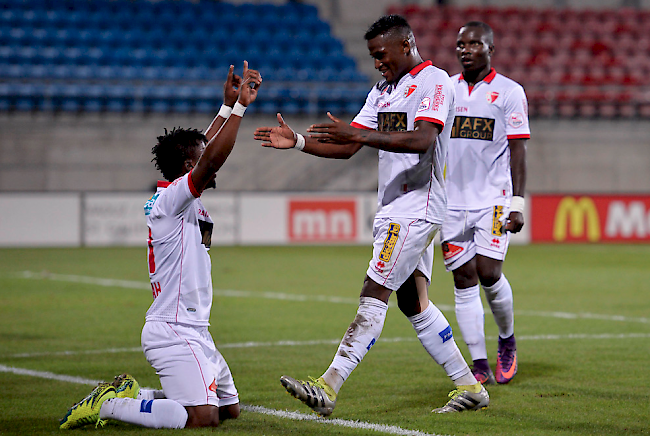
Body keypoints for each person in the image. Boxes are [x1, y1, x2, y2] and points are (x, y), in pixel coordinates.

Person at [254, 15, 488, 415]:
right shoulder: (381, 92)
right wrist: (297, 142)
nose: (377, 63)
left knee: (373, 289)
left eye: (381, 55)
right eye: (372, 57)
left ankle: (328, 384)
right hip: (395, 209)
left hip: (418, 207)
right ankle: (470, 387)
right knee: (413, 304)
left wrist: (360, 134)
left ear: (406, 44)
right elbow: (346, 146)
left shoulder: (434, 82)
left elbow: (423, 139)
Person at [59, 62, 262, 430]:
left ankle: (139, 397)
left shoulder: (177, 195)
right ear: (189, 167)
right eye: (201, 162)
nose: (211, 165)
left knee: (229, 411)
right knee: (202, 418)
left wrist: (226, 107)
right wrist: (241, 109)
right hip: (173, 330)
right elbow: (212, 155)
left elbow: (204, 146)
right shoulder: (172, 201)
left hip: (197, 329)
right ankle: (110, 406)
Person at [441, 21, 530, 385]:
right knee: (463, 280)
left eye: (474, 43)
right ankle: (478, 363)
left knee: (489, 273)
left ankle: (506, 339)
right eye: (461, 44)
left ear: (490, 49)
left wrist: (517, 203)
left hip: (492, 201)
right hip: (449, 204)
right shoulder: (445, 88)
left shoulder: (509, 92)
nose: (465, 49)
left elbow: (518, 149)